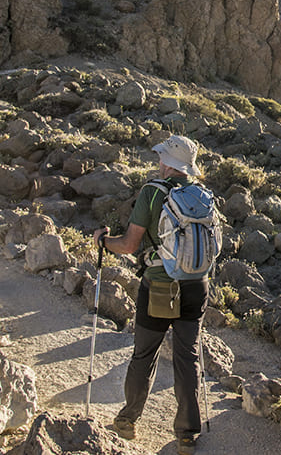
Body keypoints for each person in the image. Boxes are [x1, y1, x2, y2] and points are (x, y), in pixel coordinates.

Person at [94, 134, 209, 455]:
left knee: (144, 355)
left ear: (167, 162)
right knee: (188, 357)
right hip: (197, 285)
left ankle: (128, 420)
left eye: (161, 158)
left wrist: (103, 242)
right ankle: (187, 434)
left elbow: (129, 245)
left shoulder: (152, 192)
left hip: (160, 284)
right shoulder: (202, 193)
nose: (158, 162)